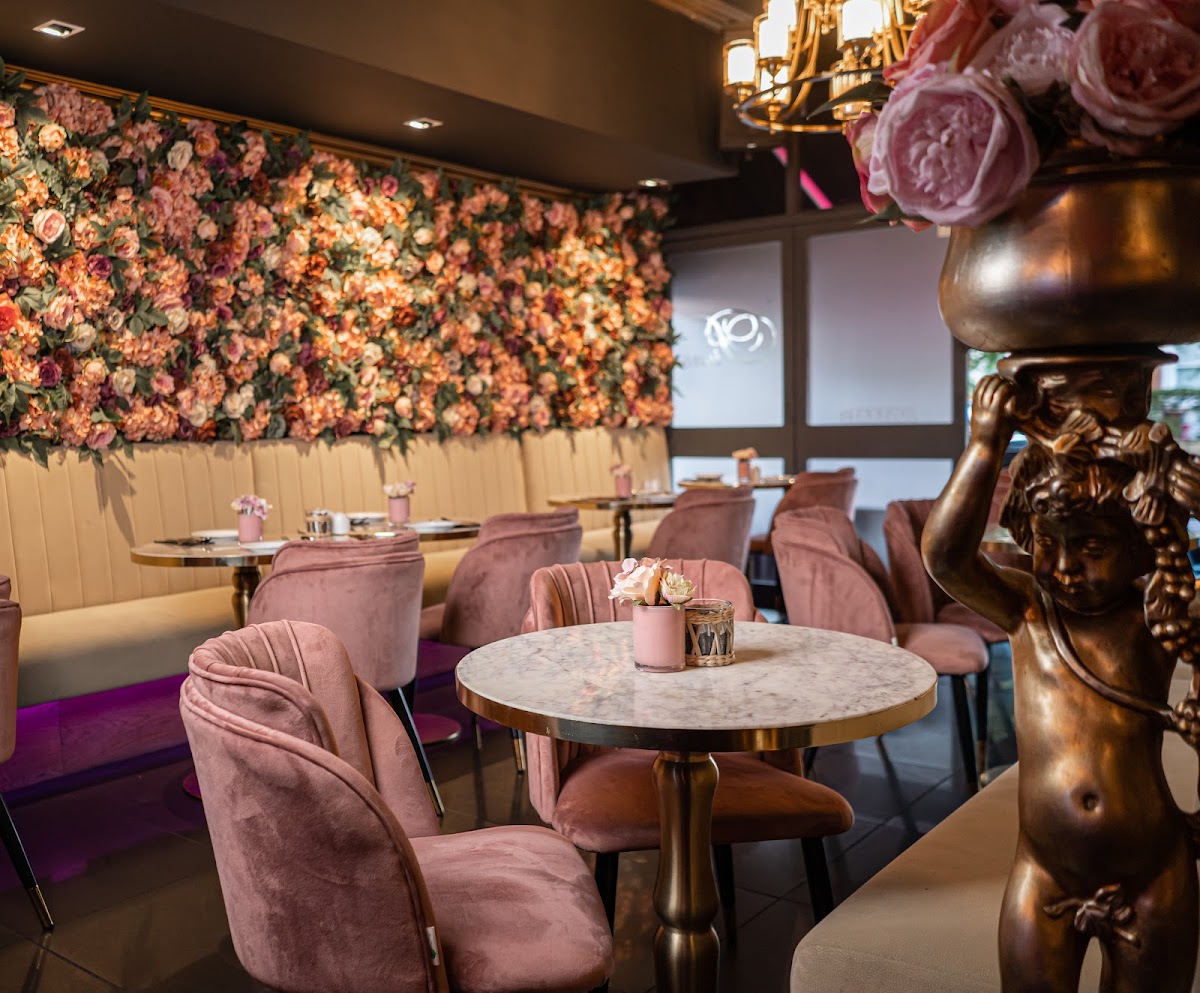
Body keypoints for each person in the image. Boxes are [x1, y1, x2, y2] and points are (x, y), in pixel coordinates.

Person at [923, 374, 1198, 993]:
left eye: (1093, 547)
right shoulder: (1027, 610)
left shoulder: (1157, 616)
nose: (1066, 568)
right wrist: (985, 445)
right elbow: (944, 557)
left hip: (1155, 876)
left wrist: (1172, 477)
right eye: (1047, 543)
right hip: (1044, 875)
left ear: (1140, 545)